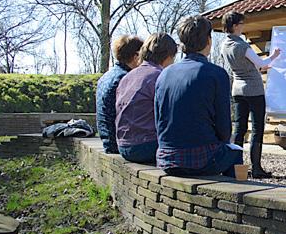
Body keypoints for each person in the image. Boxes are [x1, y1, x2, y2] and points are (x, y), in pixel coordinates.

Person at [154, 15, 243, 177]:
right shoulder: (217, 74)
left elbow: (159, 121)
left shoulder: (164, 74)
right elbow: (224, 130)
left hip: (166, 158)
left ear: (182, 44)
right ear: (209, 41)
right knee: (235, 153)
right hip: (202, 159)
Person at [221, 11, 280, 178]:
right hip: (254, 89)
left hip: (237, 89)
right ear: (234, 26)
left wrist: (257, 67)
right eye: (241, 24)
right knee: (257, 128)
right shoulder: (243, 46)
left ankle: (234, 167)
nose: (243, 26)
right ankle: (256, 169)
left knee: (239, 129)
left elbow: (243, 65)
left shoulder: (224, 45)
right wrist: (274, 56)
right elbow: (261, 63)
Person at [115, 33, 178, 164]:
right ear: (168, 56)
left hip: (123, 145)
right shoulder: (160, 76)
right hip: (145, 146)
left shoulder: (127, 77)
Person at [96, 35, 143, 153]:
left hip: (108, 140)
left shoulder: (107, 76)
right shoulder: (125, 78)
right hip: (118, 144)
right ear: (136, 56)